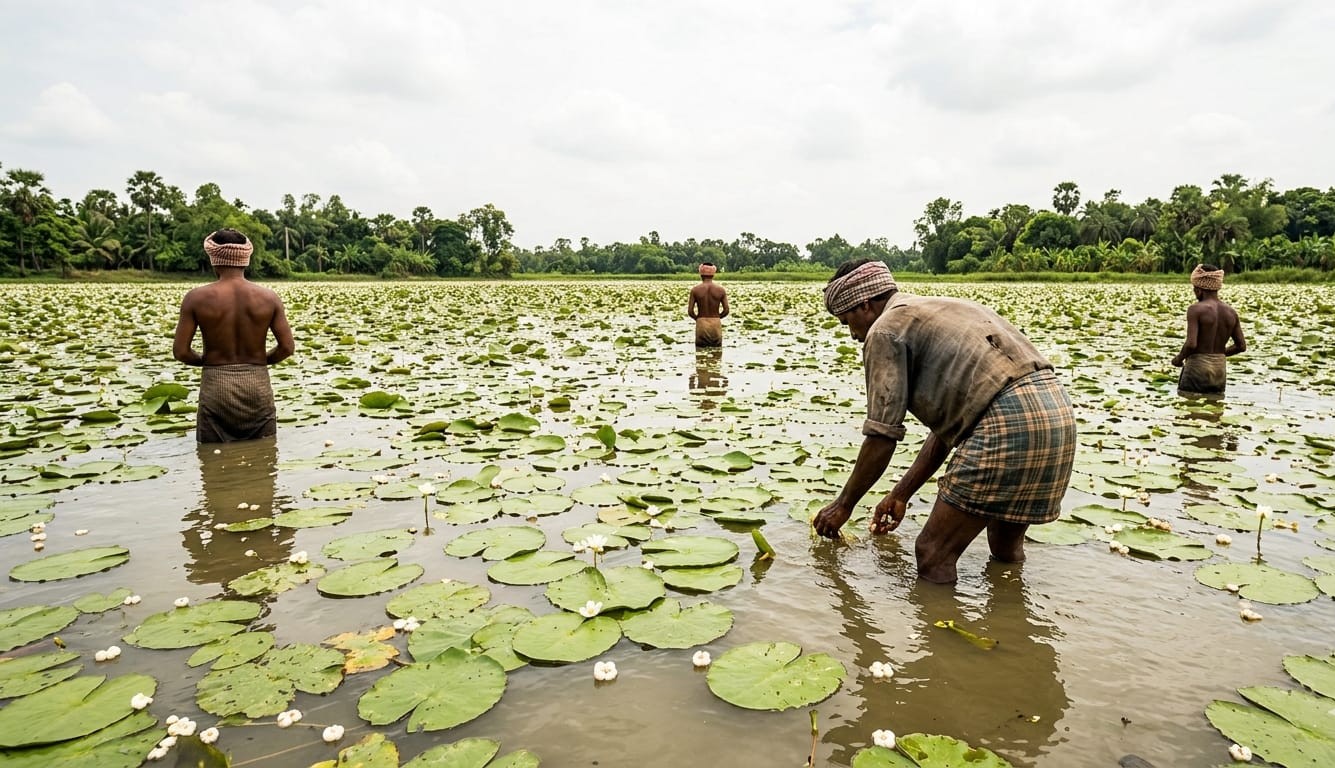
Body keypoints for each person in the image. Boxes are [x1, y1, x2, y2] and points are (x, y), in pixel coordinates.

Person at [812, 260, 1076, 583]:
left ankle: (941, 633)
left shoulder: (884, 330)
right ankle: (1010, 625)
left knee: (932, 551)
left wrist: (843, 505)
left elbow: (882, 436)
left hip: (1007, 422)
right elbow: (949, 430)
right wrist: (900, 494)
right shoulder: (938, 307)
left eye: (847, 321)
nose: (853, 334)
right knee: (1005, 546)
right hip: (1057, 414)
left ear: (865, 304)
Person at [173, 229, 295, 442]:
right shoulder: (269, 298)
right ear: (245, 259)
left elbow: (181, 352)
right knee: (264, 461)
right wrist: (258, 361)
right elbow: (286, 347)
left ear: (214, 259)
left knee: (211, 463)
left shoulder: (196, 298)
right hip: (257, 386)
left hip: (216, 387)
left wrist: (207, 361)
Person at [1171, 264, 1246, 395]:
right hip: (1219, 371)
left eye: (1194, 288)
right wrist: (1219, 353)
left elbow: (1191, 344)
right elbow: (1241, 346)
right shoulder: (1231, 312)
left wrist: (1178, 359)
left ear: (1199, 289)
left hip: (1197, 370)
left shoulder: (1196, 309)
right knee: (1215, 410)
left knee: (1190, 408)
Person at [687, 262, 729, 347]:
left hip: (701, 324)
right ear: (713, 274)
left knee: (700, 355)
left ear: (701, 274)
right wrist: (717, 317)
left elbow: (690, 311)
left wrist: (698, 319)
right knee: (717, 355)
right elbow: (726, 310)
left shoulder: (695, 290)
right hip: (715, 324)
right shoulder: (721, 290)